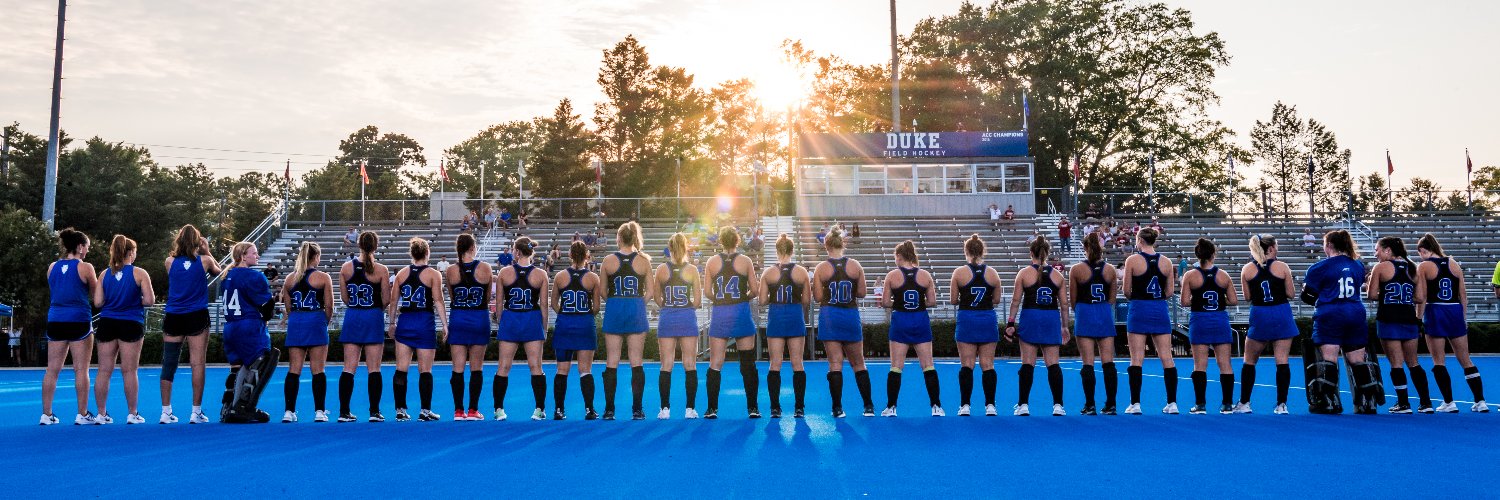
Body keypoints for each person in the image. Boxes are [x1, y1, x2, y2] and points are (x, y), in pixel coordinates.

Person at [1301, 230, 1381, 414]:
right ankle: (1367, 401)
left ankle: (1328, 400)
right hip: (1354, 311)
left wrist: (1323, 299)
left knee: (1329, 358)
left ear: (1329, 245)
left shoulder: (1319, 267)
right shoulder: (1358, 265)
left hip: (1331, 313)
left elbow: (1307, 295)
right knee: (1357, 359)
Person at [1415, 234, 1487, 412]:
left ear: (1423, 250)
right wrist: (1463, 317)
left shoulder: (1424, 266)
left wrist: (1418, 318)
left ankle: (1449, 402)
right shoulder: (1454, 264)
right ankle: (1480, 401)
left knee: (1438, 360)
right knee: (1466, 359)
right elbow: (1463, 294)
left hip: (1435, 311)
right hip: (1454, 311)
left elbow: (1422, 297)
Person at [160, 224, 221, 424]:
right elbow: (218, 273)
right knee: (197, 363)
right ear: (197, 241)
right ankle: (196, 411)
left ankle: (165, 411)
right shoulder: (205, 260)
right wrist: (207, 250)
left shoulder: (169, 261)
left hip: (174, 315)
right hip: (196, 314)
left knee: (169, 362)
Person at [1003, 236, 1071, 417]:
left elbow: (1016, 301)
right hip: (1050, 318)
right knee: (1053, 364)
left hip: (1031, 316)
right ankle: (1058, 405)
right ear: (1047, 253)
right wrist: (1065, 327)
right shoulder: (1058, 275)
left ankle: (1023, 405)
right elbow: (1064, 305)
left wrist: (1010, 323)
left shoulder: (1024, 273)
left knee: (1027, 363)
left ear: (1031, 253)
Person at [1366, 236, 1432, 414]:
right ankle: (1426, 403)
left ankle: (1403, 403)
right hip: (1409, 318)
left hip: (1389, 318)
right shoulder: (1413, 268)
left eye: (1377, 249)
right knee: (1414, 362)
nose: (1375, 254)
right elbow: (1419, 298)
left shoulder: (1380, 267)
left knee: (1396, 363)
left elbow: (1371, 295)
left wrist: (1380, 289)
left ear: (1388, 250)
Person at [92, 235, 153, 425]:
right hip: (130, 322)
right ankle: (132, 413)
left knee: (103, 371)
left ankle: (101, 414)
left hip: (108, 322)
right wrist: (134, 300)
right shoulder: (139, 273)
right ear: (131, 253)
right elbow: (149, 301)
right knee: (129, 370)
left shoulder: (104, 274)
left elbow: (98, 302)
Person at [814, 229, 874, 418]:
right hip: (850, 315)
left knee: (835, 363)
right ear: (842, 244)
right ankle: (868, 406)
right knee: (859, 363)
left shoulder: (821, 268)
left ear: (827, 246)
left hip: (830, 316)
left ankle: (838, 408)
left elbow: (817, 297)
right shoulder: (855, 265)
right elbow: (862, 293)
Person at [40, 229, 97, 425]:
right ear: (80, 247)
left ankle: (46, 414)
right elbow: (97, 297)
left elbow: (58, 291)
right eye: (87, 248)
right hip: (78, 319)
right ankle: (82, 414)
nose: (87, 251)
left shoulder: (52, 267)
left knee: (52, 369)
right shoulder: (85, 268)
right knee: (81, 369)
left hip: (56, 319)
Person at [704, 226, 762, 418]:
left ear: (721, 241)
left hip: (721, 313)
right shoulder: (745, 261)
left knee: (715, 363)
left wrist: (721, 299)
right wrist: (741, 296)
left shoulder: (712, 262)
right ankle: (753, 407)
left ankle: (712, 408)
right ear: (737, 241)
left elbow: (707, 293)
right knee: (747, 362)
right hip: (740, 311)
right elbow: (755, 290)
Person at [880, 240, 943, 417]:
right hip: (920, 320)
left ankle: (891, 407)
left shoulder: (892, 275)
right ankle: (936, 406)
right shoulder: (925, 275)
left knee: (896, 366)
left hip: (900, 320)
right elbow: (932, 302)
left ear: (899, 256)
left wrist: (899, 302)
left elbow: (885, 302)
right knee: (928, 365)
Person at [387, 238, 448, 422]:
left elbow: (393, 301)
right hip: (424, 321)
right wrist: (445, 325)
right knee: (425, 370)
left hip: (406, 321)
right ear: (427, 253)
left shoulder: (402, 274)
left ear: (412, 254)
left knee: (401, 368)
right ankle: (425, 410)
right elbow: (438, 300)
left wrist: (391, 323)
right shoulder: (433, 274)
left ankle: (400, 409)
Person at [1237, 235, 1298, 415]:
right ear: (1271, 248)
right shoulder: (1282, 266)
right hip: (1281, 313)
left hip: (1260, 314)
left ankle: (1245, 403)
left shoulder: (1247, 269)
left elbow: (1247, 297)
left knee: (1249, 360)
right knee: (1282, 360)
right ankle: (1281, 405)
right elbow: (1291, 294)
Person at [217, 242, 277, 423]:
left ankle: (228, 407)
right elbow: (267, 305)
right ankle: (244, 406)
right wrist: (265, 320)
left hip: (230, 326)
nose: (257, 256)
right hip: (248, 324)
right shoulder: (254, 276)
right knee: (263, 361)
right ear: (243, 256)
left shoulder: (226, 276)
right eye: (254, 253)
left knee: (236, 367)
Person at [1121, 227, 1178, 415]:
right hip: (1159, 308)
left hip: (1139, 308)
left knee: (1136, 358)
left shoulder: (1133, 260)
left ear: (1139, 240)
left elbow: (1126, 291)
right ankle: (1172, 403)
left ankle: (1135, 403)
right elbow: (1169, 292)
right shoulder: (1166, 262)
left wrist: (1138, 297)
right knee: (1166, 357)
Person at [599, 221, 652, 420]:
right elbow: (651, 292)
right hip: (635, 309)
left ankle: (609, 410)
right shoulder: (643, 260)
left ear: (619, 238)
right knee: (636, 360)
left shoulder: (608, 260)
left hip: (614, 308)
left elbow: (603, 291)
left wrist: (615, 302)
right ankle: (637, 409)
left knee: (612, 359)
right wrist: (637, 303)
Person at [338, 231, 392, 423]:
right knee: (374, 368)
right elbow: (386, 299)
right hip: (372, 316)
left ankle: (344, 412)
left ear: (358, 245)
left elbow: (345, 298)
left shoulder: (346, 268)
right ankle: (374, 411)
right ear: (375, 246)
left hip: (353, 316)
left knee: (348, 368)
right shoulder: (381, 270)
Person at [1179, 238, 1237, 415]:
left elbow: (1184, 302)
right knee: (1225, 364)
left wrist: (1200, 299)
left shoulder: (1190, 275)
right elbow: (1233, 300)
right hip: (1219, 319)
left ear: (1198, 255)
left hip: (1200, 320)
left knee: (1199, 364)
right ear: (1213, 254)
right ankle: (1227, 405)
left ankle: (1200, 405)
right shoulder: (1223, 275)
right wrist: (1220, 300)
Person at [494, 237, 550, 421]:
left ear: (517, 252)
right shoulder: (541, 274)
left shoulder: (505, 272)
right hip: (531, 319)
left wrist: (502, 322)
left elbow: (499, 303)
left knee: (503, 366)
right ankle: (539, 409)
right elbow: (543, 305)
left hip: (511, 317)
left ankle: (498, 409)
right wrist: (545, 328)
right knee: (536, 366)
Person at [278, 242, 333, 423]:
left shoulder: (289, 279)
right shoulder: (323, 277)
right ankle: (319, 411)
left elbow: (288, 307)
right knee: (318, 370)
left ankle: (289, 411)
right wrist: (324, 321)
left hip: (297, 322)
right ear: (315, 257)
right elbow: (329, 305)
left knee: (294, 370)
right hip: (315, 320)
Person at [950, 234, 1003, 417]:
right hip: (987, 318)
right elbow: (996, 300)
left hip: (967, 319)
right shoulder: (993, 273)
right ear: (982, 251)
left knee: (967, 364)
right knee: (988, 364)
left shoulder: (959, 273)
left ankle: (965, 405)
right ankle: (990, 405)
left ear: (966, 251)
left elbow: (953, 300)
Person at [761, 234, 811, 418]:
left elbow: (761, 300)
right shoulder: (801, 272)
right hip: (795, 316)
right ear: (792, 250)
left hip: (776, 317)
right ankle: (799, 408)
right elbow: (806, 300)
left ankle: (775, 408)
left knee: (775, 363)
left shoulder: (768, 272)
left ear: (777, 250)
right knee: (798, 363)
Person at [552, 241, 602, 420]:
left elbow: (553, 304)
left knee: (562, 369)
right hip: (584, 324)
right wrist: (583, 315)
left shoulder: (560, 276)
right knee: (585, 369)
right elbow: (596, 307)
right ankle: (589, 409)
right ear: (586, 255)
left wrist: (566, 314)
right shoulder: (593, 278)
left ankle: (558, 410)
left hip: (565, 324)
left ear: (570, 254)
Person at [654, 233, 702, 419]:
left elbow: (657, 298)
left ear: (670, 248)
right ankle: (690, 409)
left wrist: (668, 307)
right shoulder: (692, 270)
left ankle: (664, 409)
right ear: (686, 247)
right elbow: (697, 301)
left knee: (666, 364)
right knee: (690, 364)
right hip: (687, 317)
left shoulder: (661, 269)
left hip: (667, 317)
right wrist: (685, 308)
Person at [446, 234, 493, 421]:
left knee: (457, 368)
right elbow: (487, 297)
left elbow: (452, 296)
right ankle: (473, 410)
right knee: (477, 367)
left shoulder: (450, 270)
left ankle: (458, 411)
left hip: (458, 318)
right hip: (479, 318)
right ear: (473, 247)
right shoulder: (485, 268)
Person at [1070, 233, 1119, 415]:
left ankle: (1090, 405)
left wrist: (1082, 310)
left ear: (1085, 248)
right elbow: (1112, 298)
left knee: (1087, 363)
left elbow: (1073, 299)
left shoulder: (1076, 270)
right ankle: (1111, 404)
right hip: (1104, 312)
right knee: (1108, 362)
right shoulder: (1110, 270)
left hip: (1085, 312)